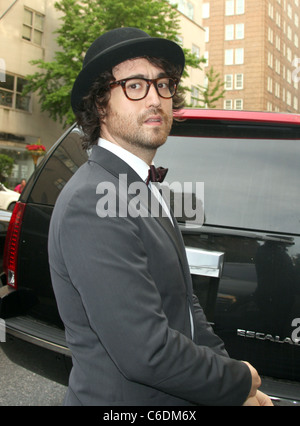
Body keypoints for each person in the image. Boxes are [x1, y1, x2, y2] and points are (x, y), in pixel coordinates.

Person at [48, 27, 273, 406]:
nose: (155, 98)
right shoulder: (92, 201)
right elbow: (146, 351)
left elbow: (185, 304)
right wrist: (237, 381)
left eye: (163, 84)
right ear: (100, 103)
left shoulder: (139, 188)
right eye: (135, 86)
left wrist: (230, 380)